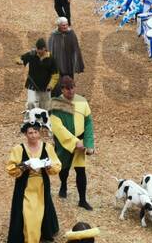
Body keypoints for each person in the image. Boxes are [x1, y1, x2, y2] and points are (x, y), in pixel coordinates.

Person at [6, 119, 61, 243]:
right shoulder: (18, 149)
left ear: (39, 133)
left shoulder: (47, 147)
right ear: (25, 134)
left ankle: (41, 233)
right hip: (25, 186)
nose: (33, 135)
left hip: (41, 186)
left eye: (35, 132)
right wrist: (25, 165)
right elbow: (10, 169)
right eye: (30, 133)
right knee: (28, 212)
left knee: (40, 211)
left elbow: (57, 165)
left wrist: (48, 166)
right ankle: (30, 238)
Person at [49, 76, 95, 210]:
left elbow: (88, 122)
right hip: (64, 143)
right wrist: (73, 142)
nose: (71, 91)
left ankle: (82, 200)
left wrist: (89, 143)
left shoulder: (82, 101)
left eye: (72, 88)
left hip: (81, 142)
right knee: (63, 168)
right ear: (62, 89)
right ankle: (63, 185)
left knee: (81, 170)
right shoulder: (56, 103)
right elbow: (57, 126)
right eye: (67, 89)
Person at [16, 38, 59, 110]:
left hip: (45, 87)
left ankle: (43, 120)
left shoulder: (51, 59)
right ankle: (31, 118)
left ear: (44, 48)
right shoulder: (32, 54)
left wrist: (51, 85)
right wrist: (19, 61)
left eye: (40, 49)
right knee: (31, 102)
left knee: (45, 107)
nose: (38, 51)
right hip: (32, 84)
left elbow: (55, 75)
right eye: (37, 49)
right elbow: (20, 58)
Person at [48, 17, 84, 96]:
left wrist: (77, 61)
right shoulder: (54, 35)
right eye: (63, 25)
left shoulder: (71, 33)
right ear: (58, 26)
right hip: (58, 62)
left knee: (69, 80)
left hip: (68, 62)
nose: (65, 27)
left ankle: (68, 95)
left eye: (66, 25)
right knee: (57, 82)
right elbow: (50, 49)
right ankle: (57, 97)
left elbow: (76, 48)